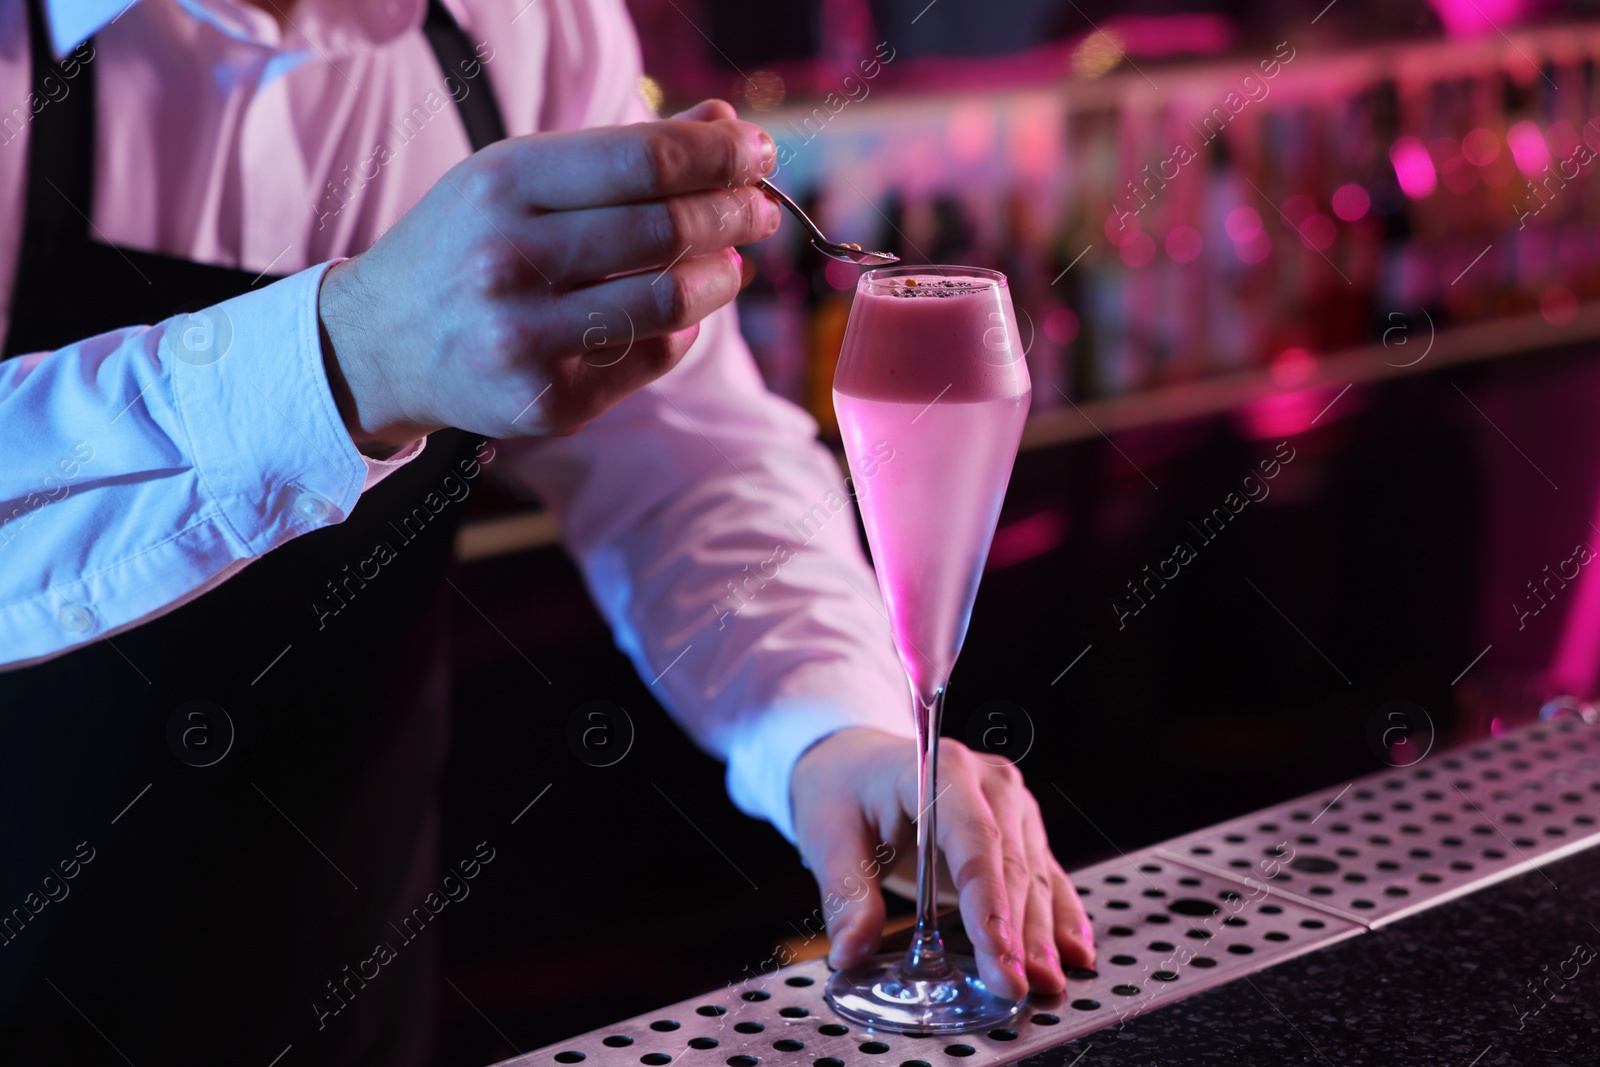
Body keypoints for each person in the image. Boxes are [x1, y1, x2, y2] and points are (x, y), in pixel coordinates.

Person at [0, 0, 1093, 1061]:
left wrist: (824, 723)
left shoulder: (525, 23)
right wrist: (351, 356)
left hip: (341, 961)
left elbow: (675, 457)